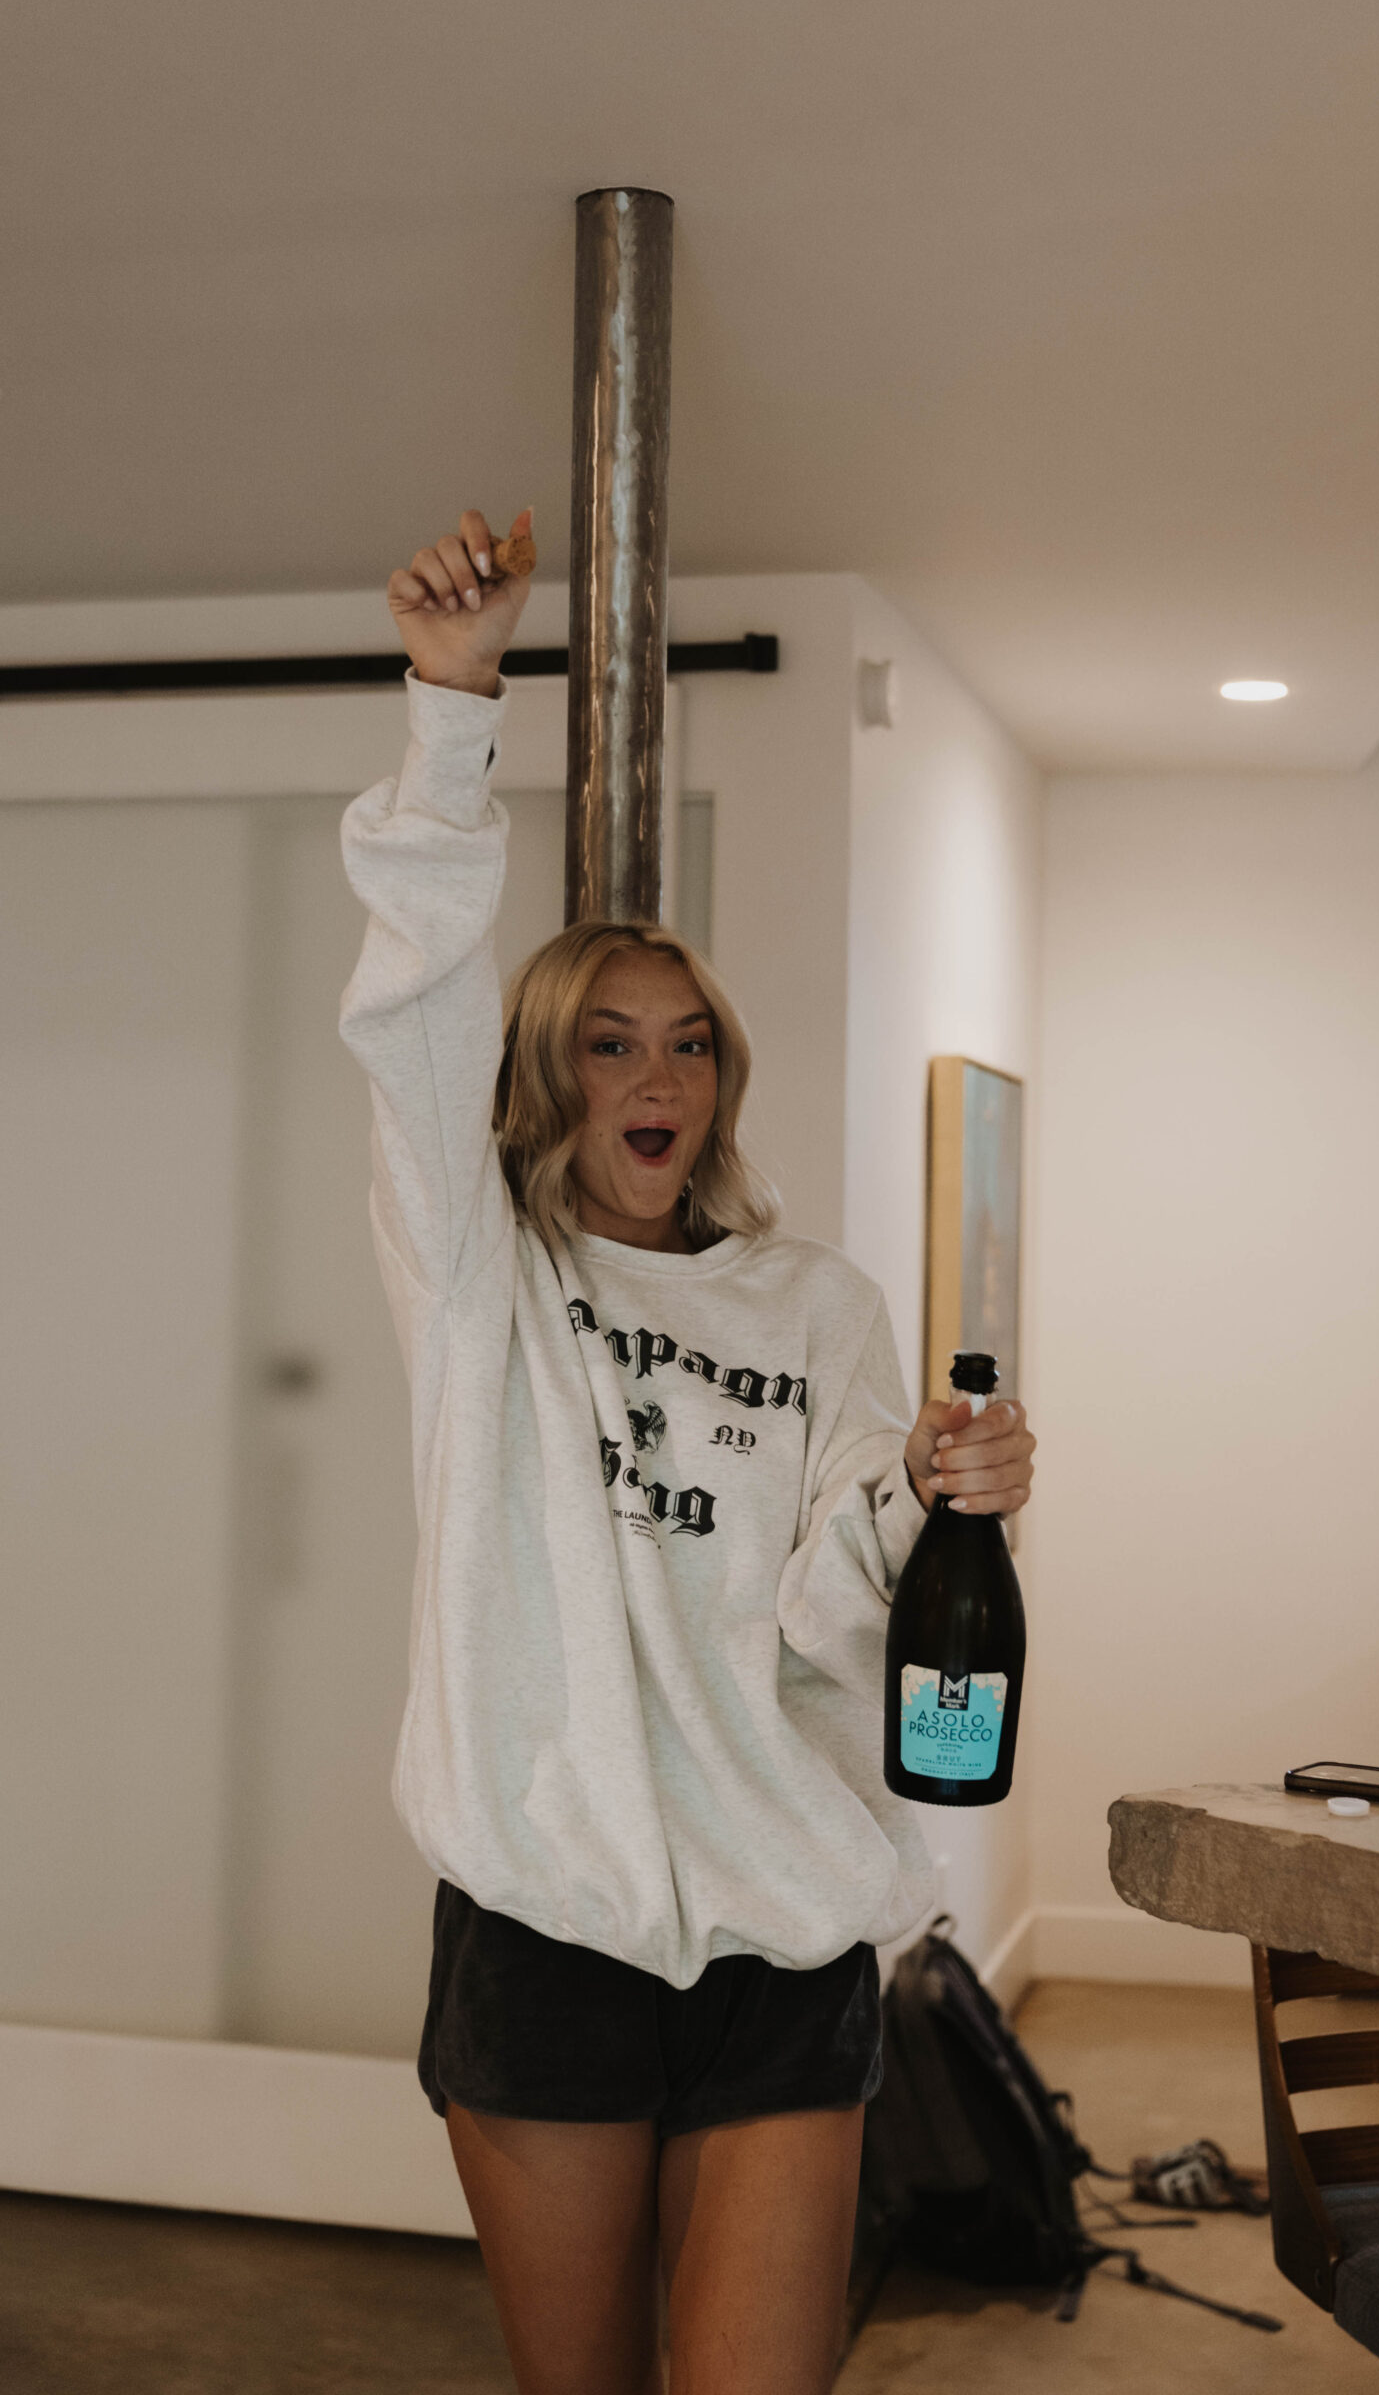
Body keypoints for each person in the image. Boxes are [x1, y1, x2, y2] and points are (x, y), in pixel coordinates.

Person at [339, 508, 1036, 2395]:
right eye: (607, 1048)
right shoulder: (486, 1275)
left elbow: (827, 1614)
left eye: (689, 1048)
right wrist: (455, 702)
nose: (655, 1083)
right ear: (550, 1078)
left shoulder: (813, 1305)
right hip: (548, 1915)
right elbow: (406, 1010)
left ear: (724, 1072)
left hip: (783, 1923)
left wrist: (929, 1490)